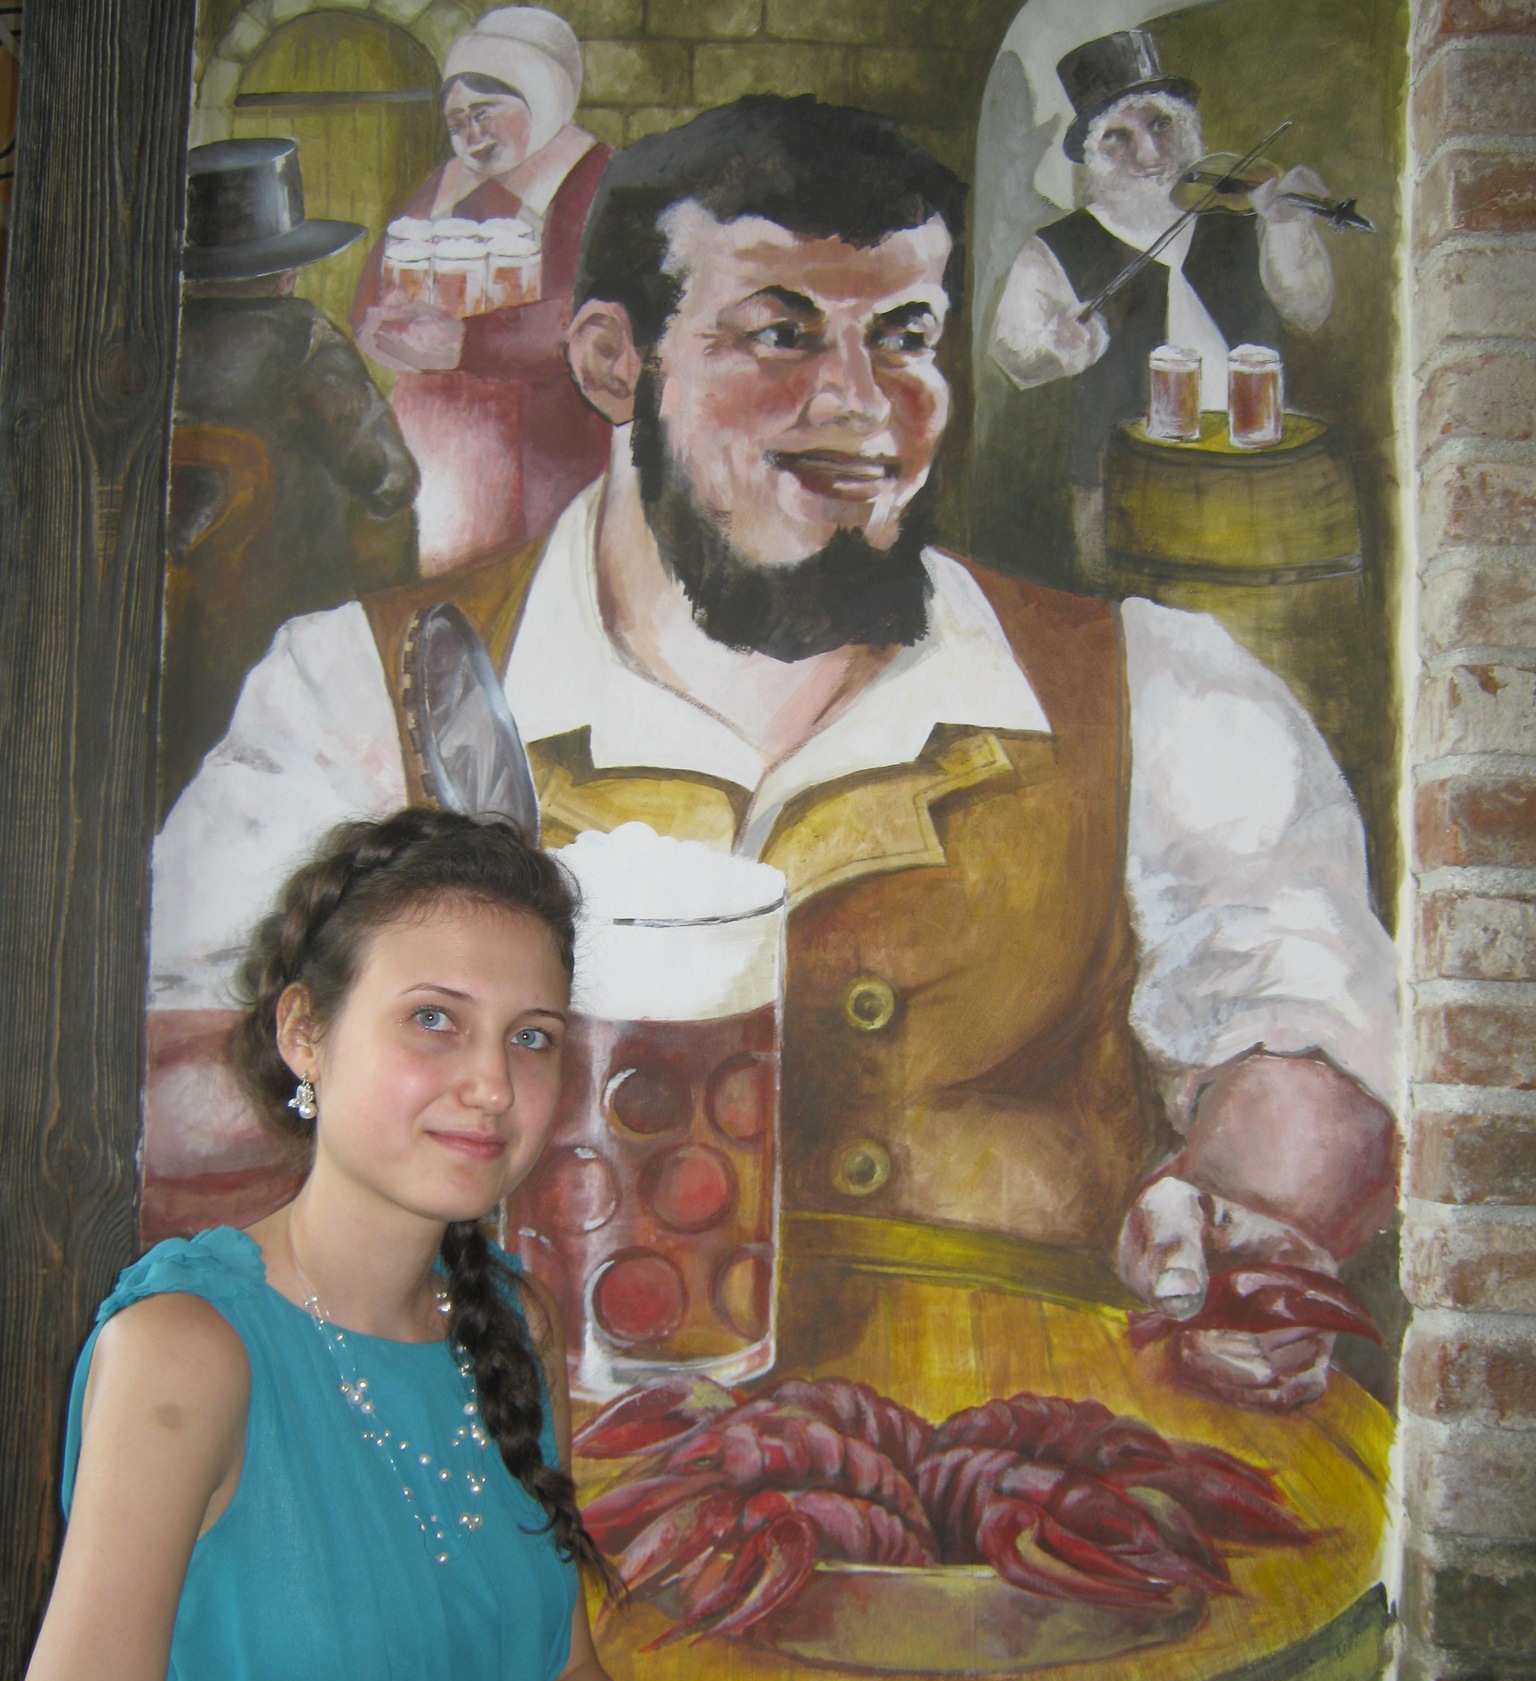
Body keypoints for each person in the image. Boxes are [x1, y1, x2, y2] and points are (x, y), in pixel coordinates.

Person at [149, 96, 1398, 1414]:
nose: (860, 403)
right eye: (780, 334)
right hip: (505, 1458)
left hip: (1012, 1468)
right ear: (615, 363)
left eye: (903, 337)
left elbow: (1311, 1039)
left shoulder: (1154, 689)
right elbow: (163, 1092)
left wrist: (1245, 1203)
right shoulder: (358, 685)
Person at [0, 808, 844, 1681]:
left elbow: (562, 1679)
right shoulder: (185, 1350)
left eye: (532, 1037)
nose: (492, 1085)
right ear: (306, 1031)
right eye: (434, 1018)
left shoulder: (510, 1319)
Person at [987, 29, 1335, 584]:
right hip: (1123, 492)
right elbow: (1012, 353)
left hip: (1254, 479)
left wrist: (1290, 227)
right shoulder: (1056, 248)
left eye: (1161, 125)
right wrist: (1058, 343)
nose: (1149, 154)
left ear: (1188, 131)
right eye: (1119, 138)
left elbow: (1310, 309)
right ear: (1094, 156)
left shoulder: (1240, 218)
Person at [164, 138, 420, 818]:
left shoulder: (147, 341)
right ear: (286, 271)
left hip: (165, 659)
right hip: (281, 648)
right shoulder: (303, 342)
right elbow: (390, 478)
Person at [351, 6, 611, 571]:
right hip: (437, 438)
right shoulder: (446, 182)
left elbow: (593, 317)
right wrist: (377, 323)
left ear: (538, 97)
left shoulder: (596, 179)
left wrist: (466, 342)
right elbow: (377, 281)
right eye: (457, 121)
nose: (472, 135)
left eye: (485, 113)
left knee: (529, 579)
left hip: (548, 436)